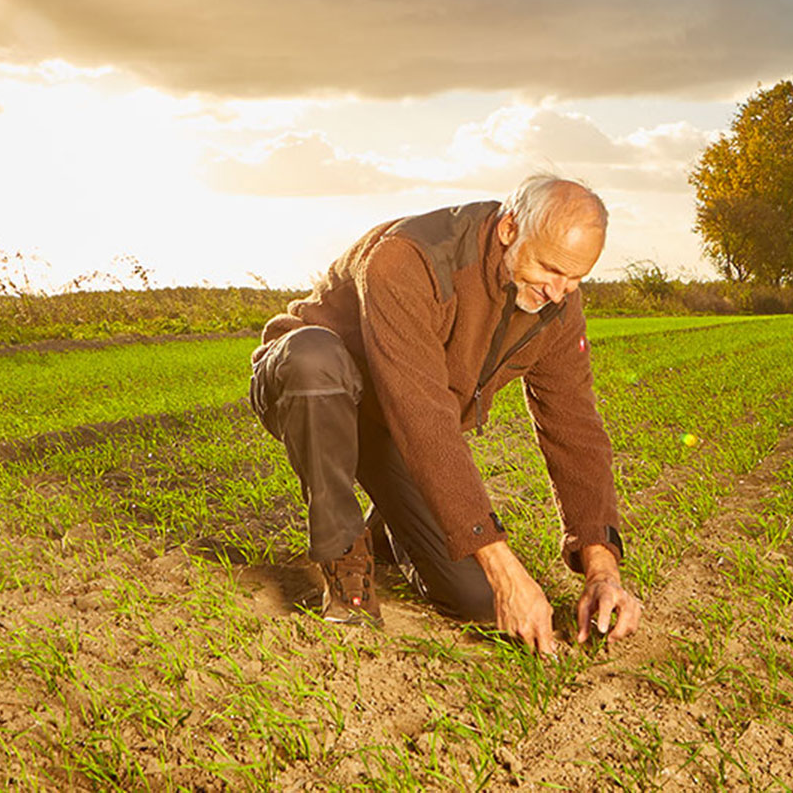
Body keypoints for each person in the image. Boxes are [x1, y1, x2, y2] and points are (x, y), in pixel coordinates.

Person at [247, 174, 642, 655]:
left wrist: (602, 567)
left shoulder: (557, 305)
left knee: (478, 598)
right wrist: (506, 569)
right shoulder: (409, 259)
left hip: (393, 428)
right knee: (314, 359)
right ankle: (343, 555)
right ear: (508, 229)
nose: (560, 292)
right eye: (551, 269)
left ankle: (391, 528)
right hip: (314, 389)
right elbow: (424, 418)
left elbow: (574, 427)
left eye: (576, 278)